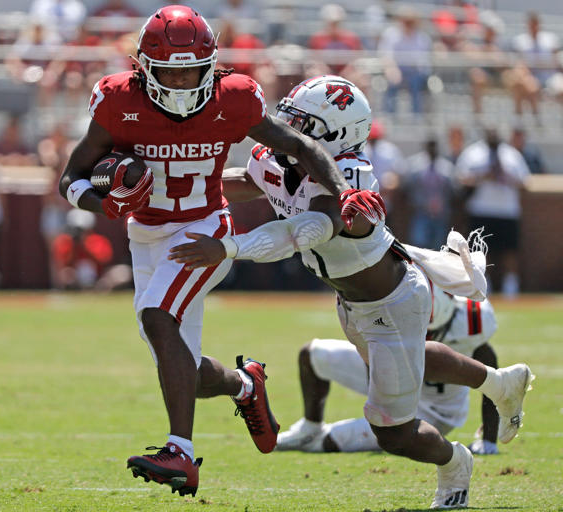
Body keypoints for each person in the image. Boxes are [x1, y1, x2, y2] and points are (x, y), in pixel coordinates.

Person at [169, 75, 533, 509]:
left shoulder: (349, 173)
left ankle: (456, 463)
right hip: (355, 302)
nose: (286, 126)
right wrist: (180, 183)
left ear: (334, 133)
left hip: (392, 304)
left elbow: (304, 231)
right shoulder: (282, 158)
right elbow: (251, 180)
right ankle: (499, 382)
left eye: (300, 122)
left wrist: (229, 246)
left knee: (392, 432)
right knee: (404, 359)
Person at [58, 6, 368, 497]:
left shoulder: (236, 98)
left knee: (161, 320)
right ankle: (245, 385)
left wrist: (343, 193)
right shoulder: (119, 99)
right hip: (146, 235)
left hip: (203, 230)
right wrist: (105, 204)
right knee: (180, 363)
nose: (181, 82)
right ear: (144, 68)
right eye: (169, 71)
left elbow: (305, 148)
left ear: (212, 66)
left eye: (191, 70)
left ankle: (180, 452)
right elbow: (70, 177)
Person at [276, 286, 502, 456]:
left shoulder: (470, 325)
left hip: (434, 412)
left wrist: (489, 440)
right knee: (312, 355)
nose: (423, 338)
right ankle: (309, 426)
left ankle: (314, 437)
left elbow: (492, 373)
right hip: (392, 374)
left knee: (325, 443)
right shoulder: (400, 301)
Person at [456, 128, 529, 298]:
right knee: (480, 250)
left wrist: (506, 177)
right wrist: (482, 176)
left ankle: (511, 286)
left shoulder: (511, 154)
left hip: (507, 211)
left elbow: (525, 181)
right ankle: (482, 284)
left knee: (510, 250)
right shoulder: (473, 153)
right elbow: (460, 178)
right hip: (481, 209)